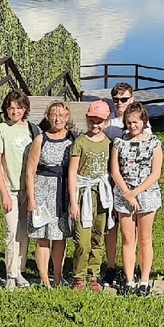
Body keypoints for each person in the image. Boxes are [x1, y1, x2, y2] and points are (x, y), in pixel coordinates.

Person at [110, 102, 163, 295]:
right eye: (129, 122)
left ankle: (145, 279)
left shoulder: (154, 142)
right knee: (127, 239)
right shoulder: (119, 143)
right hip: (124, 194)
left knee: (145, 238)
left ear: (143, 122)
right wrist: (127, 192)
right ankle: (130, 279)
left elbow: (156, 173)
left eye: (136, 122)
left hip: (146, 194)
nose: (132, 125)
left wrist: (136, 192)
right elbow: (115, 170)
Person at [0, 90, 37, 289]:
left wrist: (30, 189)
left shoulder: (33, 130)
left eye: (18, 107)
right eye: (11, 107)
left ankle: (20, 270)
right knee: (11, 230)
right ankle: (10, 272)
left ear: (25, 108)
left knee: (24, 231)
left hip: (28, 189)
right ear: (6, 109)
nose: (14, 111)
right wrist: (4, 193)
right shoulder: (1, 130)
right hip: (10, 188)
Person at [24, 100, 74, 287]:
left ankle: (59, 276)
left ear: (67, 117)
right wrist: (31, 198)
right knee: (43, 235)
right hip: (43, 191)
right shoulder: (40, 139)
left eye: (61, 115)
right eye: (54, 114)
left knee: (60, 235)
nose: (57, 118)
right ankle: (44, 278)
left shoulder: (72, 139)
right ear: (48, 116)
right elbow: (30, 170)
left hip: (63, 192)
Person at [68, 100, 114, 291]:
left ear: (106, 121)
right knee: (82, 240)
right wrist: (73, 202)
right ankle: (78, 275)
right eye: (92, 121)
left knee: (98, 236)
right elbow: (72, 172)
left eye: (100, 121)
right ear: (87, 119)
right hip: (83, 193)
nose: (96, 125)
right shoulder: (80, 142)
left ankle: (92, 274)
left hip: (101, 194)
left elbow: (112, 171)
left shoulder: (109, 143)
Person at [100, 83, 137, 287]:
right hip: (111, 179)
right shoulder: (109, 123)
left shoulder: (140, 121)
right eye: (116, 100)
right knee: (111, 226)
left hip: (134, 182)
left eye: (124, 99)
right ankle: (112, 267)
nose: (120, 103)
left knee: (134, 228)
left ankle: (132, 267)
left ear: (132, 99)